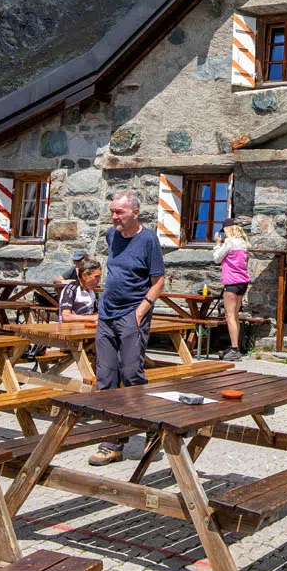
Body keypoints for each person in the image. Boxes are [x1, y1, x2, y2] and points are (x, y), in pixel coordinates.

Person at [89, 191, 166, 467]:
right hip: (107, 314)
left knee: (132, 373)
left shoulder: (148, 240)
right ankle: (113, 441)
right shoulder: (111, 235)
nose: (114, 217)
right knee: (106, 377)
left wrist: (140, 311)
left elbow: (159, 281)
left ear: (135, 212)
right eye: (112, 211)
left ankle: (149, 434)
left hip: (133, 314)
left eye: (119, 212)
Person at [211, 224, 250, 362]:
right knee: (235, 315)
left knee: (230, 316)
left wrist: (217, 244)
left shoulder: (230, 243)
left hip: (232, 282)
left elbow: (217, 258)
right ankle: (235, 347)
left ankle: (234, 349)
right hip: (242, 282)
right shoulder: (243, 243)